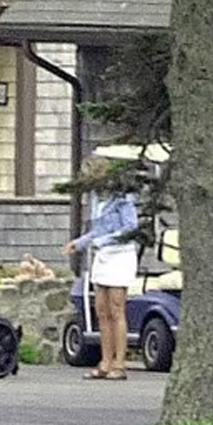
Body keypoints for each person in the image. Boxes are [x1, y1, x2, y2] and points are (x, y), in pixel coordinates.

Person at [61, 157, 140, 381]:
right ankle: (105, 361)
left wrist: (104, 241)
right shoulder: (96, 198)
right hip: (101, 255)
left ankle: (119, 363)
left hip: (120, 254)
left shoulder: (123, 197)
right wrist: (79, 243)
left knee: (117, 308)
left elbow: (130, 228)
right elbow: (96, 231)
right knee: (102, 310)